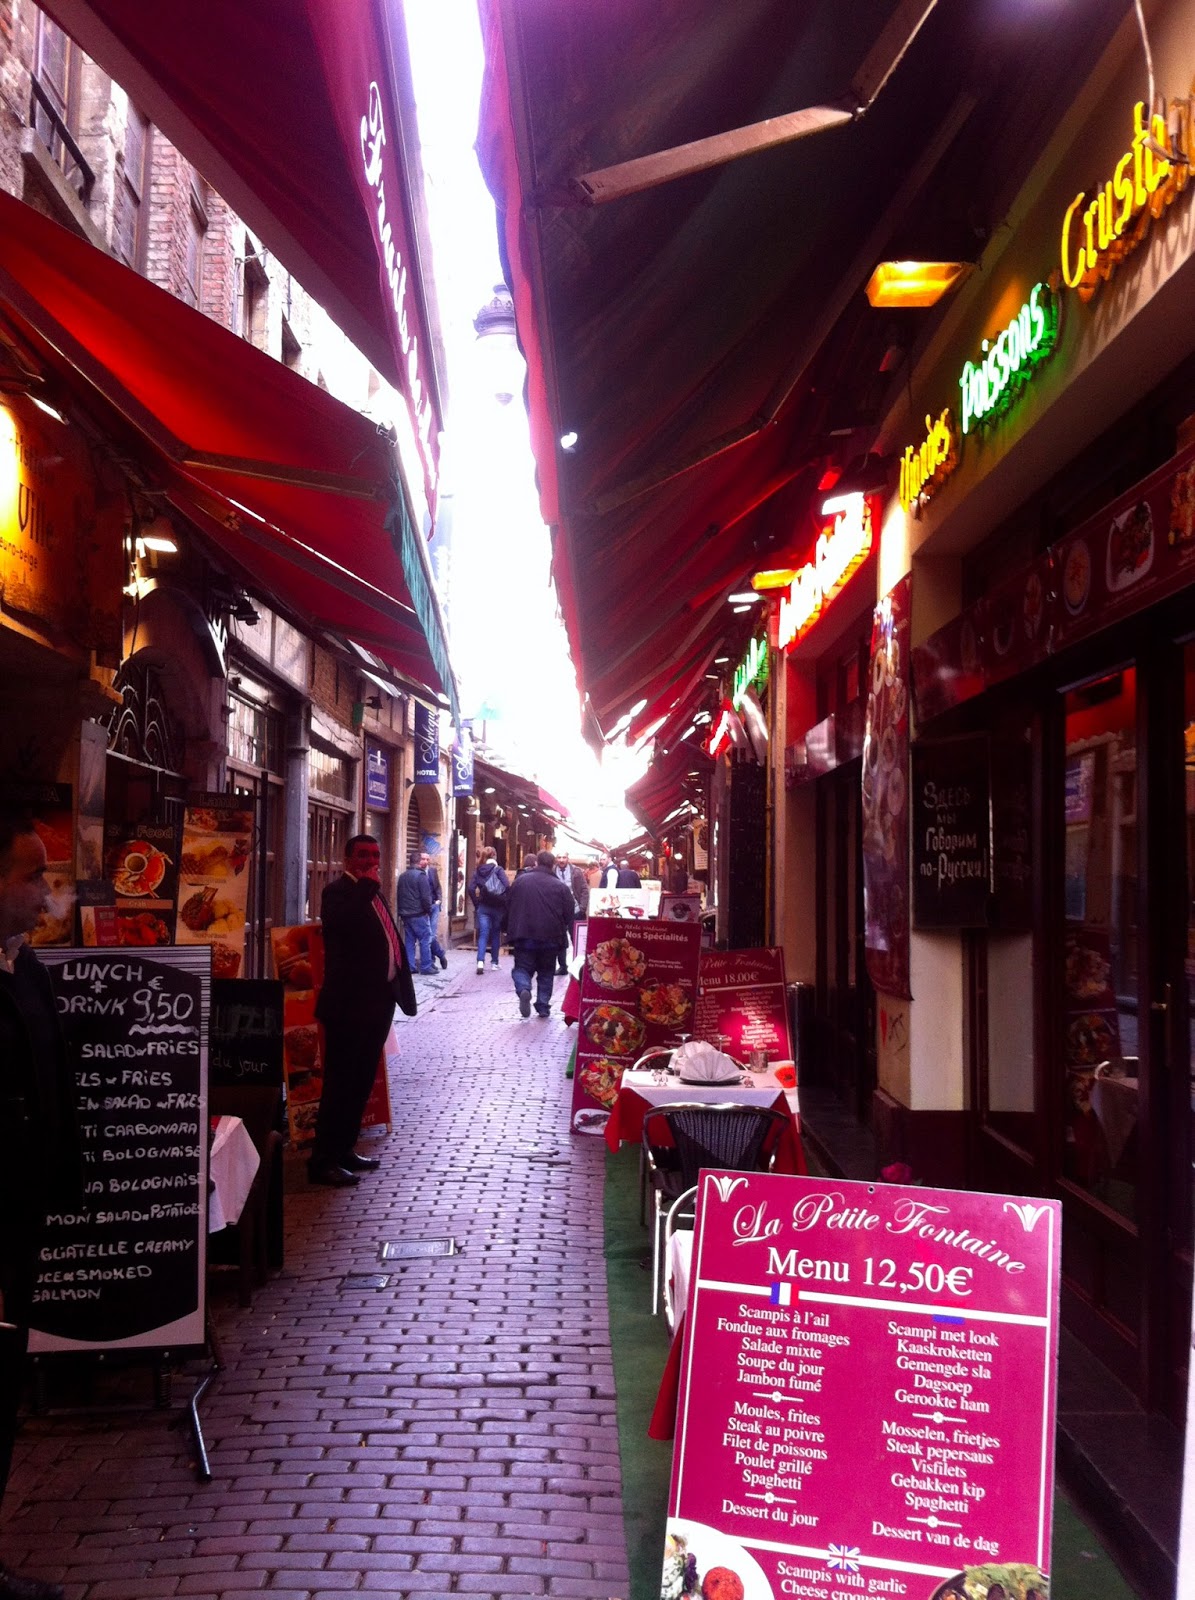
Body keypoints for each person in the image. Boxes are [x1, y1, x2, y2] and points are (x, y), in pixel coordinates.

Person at [0, 806, 81, 1600]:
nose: (46, 892)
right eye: (32, 876)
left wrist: (63, 1173)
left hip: (18, 1221)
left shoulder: (23, 965)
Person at [311, 834, 410, 1186]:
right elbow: (342, 925)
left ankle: (344, 1149)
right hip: (348, 1007)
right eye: (363, 855)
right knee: (340, 1085)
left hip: (377, 1003)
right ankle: (323, 1161)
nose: (370, 861)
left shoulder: (374, 893)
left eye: (375, 854)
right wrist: (367, 888)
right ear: (348, 858)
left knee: (361, 1082)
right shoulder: (338, 892)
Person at [504, 849, 575, 1018]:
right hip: (550, 937)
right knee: (546, 971)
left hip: (524, 935)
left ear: (537, 863)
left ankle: (524, 988)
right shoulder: (561, 887)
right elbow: (569, 914)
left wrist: (507, 928)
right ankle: (543, 1005)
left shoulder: (521, 882)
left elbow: (508, 906)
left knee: (522, 968)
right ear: (553, 864)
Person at [468, 847, 509, 974]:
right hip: (497, 907)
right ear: (495, 855)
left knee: (483, 934)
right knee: (495, 934)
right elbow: (507, 885)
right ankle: (494, 963)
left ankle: (480, 962)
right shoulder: (498, 870)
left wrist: (477, 903)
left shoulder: (478, 870)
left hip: (483, 907)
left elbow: (470, 888)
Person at [396, 850, 436, 975]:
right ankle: (426, 966)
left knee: (409, 940)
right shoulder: (421, 876)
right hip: (418, 913)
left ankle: (410, 966)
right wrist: (428, 910)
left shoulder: (402, 876)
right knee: (425, 939)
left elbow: (399, 895)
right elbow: (426, 897)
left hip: (405, 914)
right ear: (419, 862)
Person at [418, 851, 449, 970]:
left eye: (427, 859)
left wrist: (439, 900)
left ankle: (431, 961)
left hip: (434, 906)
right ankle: (440, 955)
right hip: (422, 909)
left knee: (431, 934)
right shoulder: (416, 873)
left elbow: (437, 887)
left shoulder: (432, 871)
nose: (426, 861)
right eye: (423, 859)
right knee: (428, 935)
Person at [553, 851, 577, 976]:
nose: (561, 860)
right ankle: (563, 966)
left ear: (568, 858)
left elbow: (584, 889)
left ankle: (578, 966)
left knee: (575, 938)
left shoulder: (576, 871)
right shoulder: (552, 871)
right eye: (559, 857)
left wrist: (582, 907)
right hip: (557, 910)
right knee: (560, 939)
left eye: (564, 857)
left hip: (574, 909)